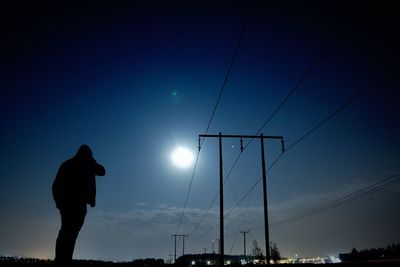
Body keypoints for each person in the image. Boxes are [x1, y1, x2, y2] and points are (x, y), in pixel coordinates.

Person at [52, 145, 106, 264]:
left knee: (69, 232)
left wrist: (59, 203)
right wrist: (59, 203)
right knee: (69, 232)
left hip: (73, 205)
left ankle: (63, 260)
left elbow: (102, 172)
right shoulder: (85, 165)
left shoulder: (68, 164)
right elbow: (56, 186)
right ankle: (62, 260)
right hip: (73, 204)